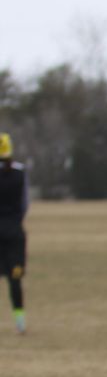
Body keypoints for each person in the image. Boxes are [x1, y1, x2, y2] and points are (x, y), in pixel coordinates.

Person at [0, 132, 27, 335]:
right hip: (15, 233)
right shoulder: (20, 173)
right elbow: (25, 204)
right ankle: (20, 323)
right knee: (15, 279)